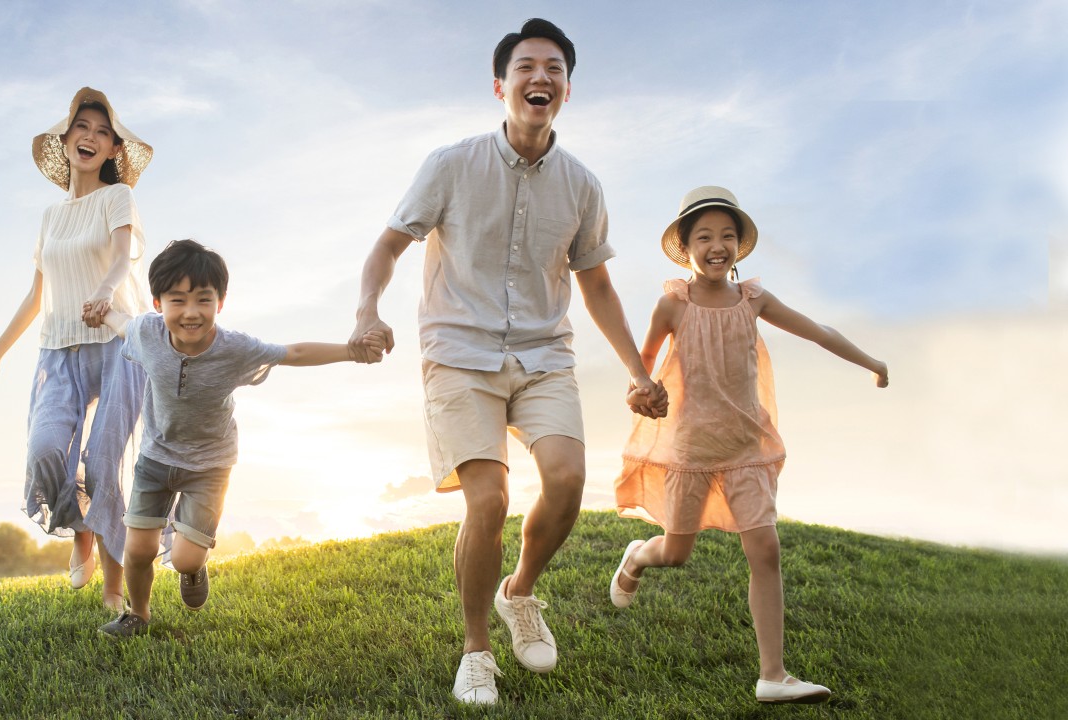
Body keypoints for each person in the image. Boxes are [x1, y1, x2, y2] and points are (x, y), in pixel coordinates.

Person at [348, 18, 667, 705]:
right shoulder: (450, 164)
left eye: (553, 68)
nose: (539, 77)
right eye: (526, 66)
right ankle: (476, 650)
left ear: (568, 90)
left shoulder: (582, 185)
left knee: (568, 477)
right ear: (501, 85)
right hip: (459, 354)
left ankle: (519, 592)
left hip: (544, 354)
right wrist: (367, 311)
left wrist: (639, 373)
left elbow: (598, 284)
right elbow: (387, 246)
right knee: (487, 499)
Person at [609, 186, 890, 704]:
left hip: (745, 448)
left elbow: (818, 332)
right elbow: (639, 368)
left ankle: (773, 675)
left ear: (739, 245)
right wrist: (640, 391)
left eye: (727, 236)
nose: (717, 245)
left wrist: (872, 362)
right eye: (705, 237)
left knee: (765, 550)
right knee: (675, 552)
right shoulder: (674, 303)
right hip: (691, 450)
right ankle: (636, 558)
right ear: (686, 246)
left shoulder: (753, 300)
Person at [94, 239, 386, 637]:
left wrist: (352, 352)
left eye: (203, 300)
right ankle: (138, 615)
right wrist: (103, 313)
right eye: (177, 300)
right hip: (156, 457)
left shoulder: (236, 349)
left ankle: (194, 568)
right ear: (158, 303)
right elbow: (123, 325)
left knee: (183, 559)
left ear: (221, 301)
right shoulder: (147, 333)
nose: (191, 312)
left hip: (210, 466)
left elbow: (294, 352)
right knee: (140, 548)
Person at [0, 88, 152, 611]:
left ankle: (114, 591)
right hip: (58, 352)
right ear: (66, 140)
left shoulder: (118, 199)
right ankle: (82, 534)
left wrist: (102, 292)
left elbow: (122, 257)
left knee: (103, 467)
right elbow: (36, 295)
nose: (90, 137)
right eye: (82, 128)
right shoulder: (50, 218)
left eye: (101, 132)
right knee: (46, 451)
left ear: (114, 149)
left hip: (117, 343)